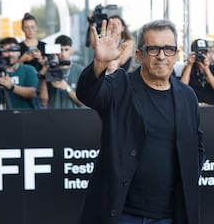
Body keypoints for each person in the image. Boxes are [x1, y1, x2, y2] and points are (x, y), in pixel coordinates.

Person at [76, 18, 206, 224]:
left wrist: (188, 179)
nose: (161, 56)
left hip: (171, 215)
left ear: (176, 54)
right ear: (140, 55)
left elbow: (196, 145)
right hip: (123, 215)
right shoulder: (120, 86)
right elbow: (87, 94)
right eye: (153, 49)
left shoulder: (187, 95)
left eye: (168, 49)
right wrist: (99, 63)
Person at [38, 35, 84, 108]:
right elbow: (43, 103)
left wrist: (67, 88)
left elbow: (82, 102)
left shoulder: (80, 70)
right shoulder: (49, 69)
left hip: (74, 116)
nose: (63, 54)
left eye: (66, 49)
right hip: (53, 116)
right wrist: (43, 77)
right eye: (60, 50)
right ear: (55, 51)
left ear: (71, 50)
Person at [0, 37, 38, 110]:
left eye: (13, 50)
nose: (10, 54)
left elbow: (32, 93)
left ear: (19, 53)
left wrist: (12, 87)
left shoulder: (28, 69)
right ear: (1, 53)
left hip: (24, 116)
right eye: (6, 51)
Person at [180, 38, 214, 106]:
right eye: (199, 52)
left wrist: (206, 70)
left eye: (204, 52)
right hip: (193, 105)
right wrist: (189, 64)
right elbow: (182, 88)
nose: (202, 55)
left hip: (210, 107)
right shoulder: (188, 68)